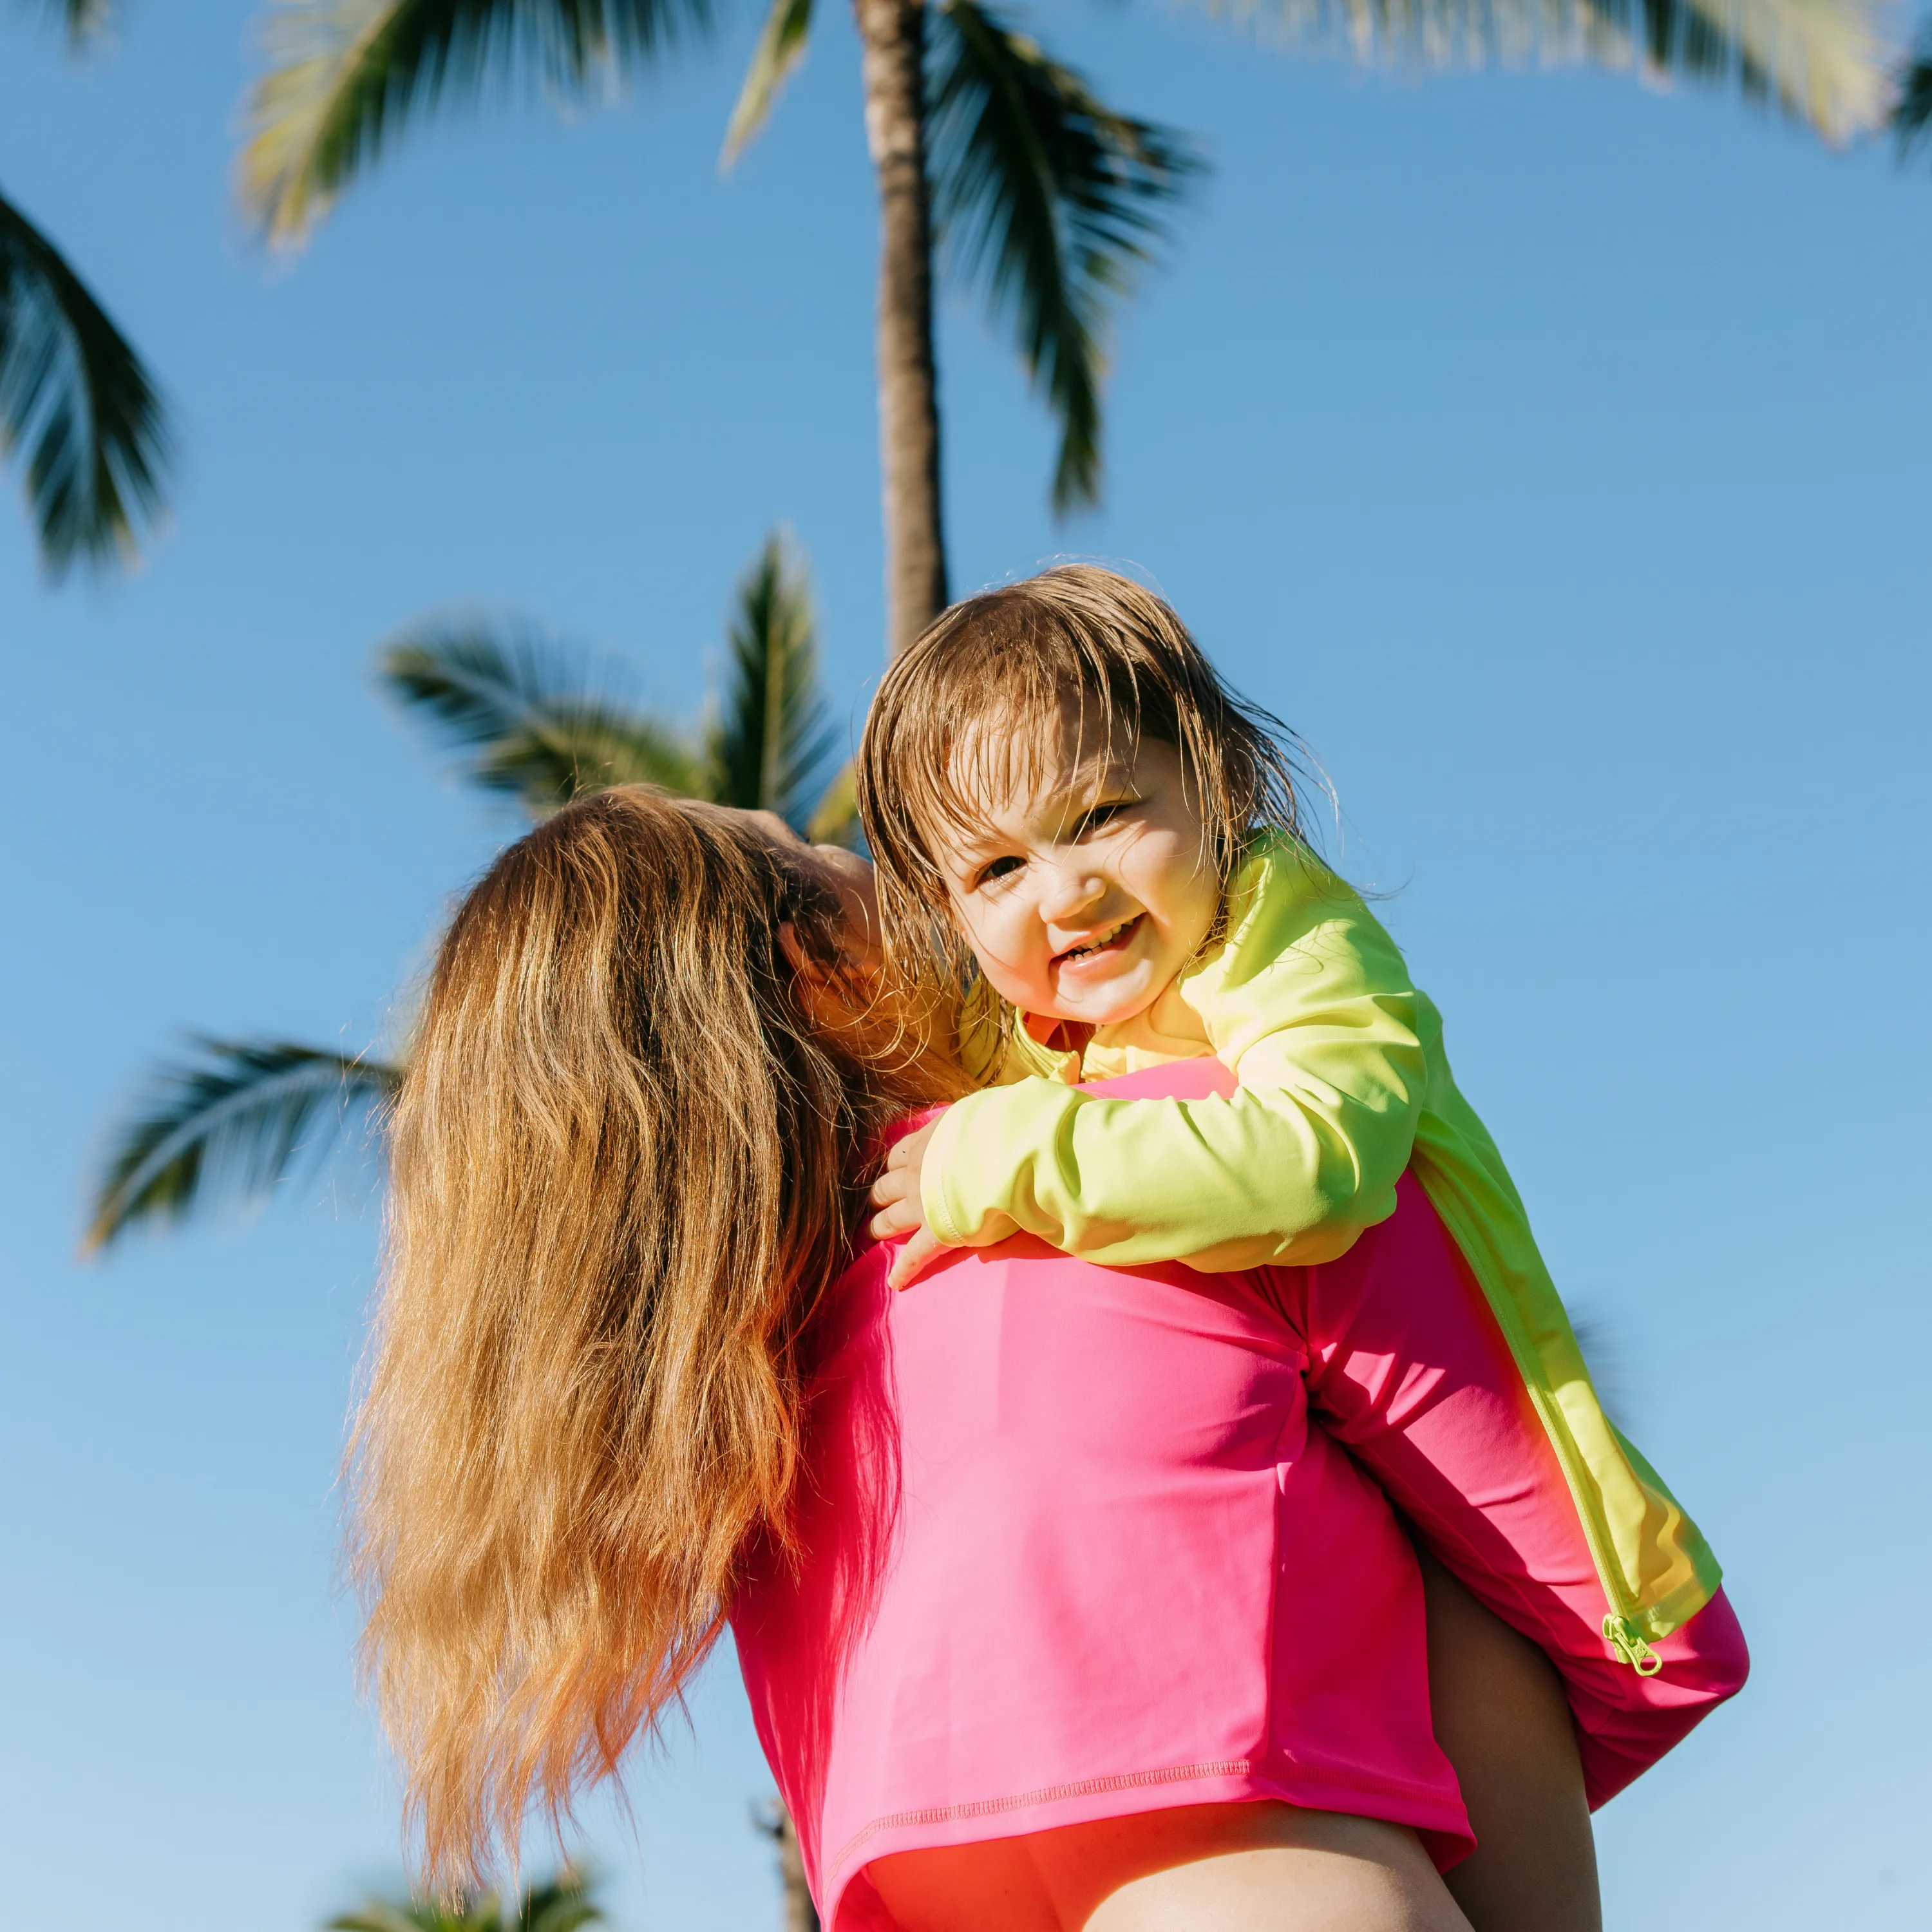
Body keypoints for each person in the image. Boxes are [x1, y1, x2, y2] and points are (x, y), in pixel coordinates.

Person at [350, 788, 1729, 1932]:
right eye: (838, 865)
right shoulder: (1203, 1166)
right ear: (821, 971)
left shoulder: (736, 1452)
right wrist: (1658, 1656)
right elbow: (1508, 1487)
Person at [857, 566, 1748, 1828]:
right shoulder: (1030, 1040)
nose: (1063, 892)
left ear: (1213, 784)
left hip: (1537, 1595)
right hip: (1337, 1558)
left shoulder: (1283, 936)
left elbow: (1317, 1162)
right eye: (997, 868)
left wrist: (1000, 1160)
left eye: (1105, 812)